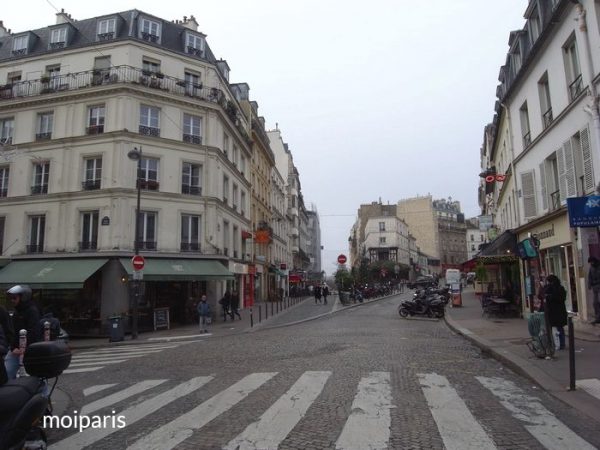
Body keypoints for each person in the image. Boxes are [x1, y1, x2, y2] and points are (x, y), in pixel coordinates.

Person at [4, 285, 41, 380]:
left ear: (23, 297)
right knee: (6, 374)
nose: (12, 300)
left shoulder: (32, 311)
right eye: (11, 298)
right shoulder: (17, 312)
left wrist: (24, 348)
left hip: (28, 350)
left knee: (35, 376)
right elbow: (13, 332)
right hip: (16, 350)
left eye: (14, 298)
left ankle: (45, 394)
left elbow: (34, 332)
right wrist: (13, 348)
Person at [544, 275, 568, 350]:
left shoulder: (559, 288)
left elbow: (560, 298)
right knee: (557, 328)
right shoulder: (555, 288)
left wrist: (549, 296)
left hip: (556, 311)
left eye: (548, 281)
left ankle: (560, 344)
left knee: (558, 328)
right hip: (556, 311)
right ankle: (559, 344)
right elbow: (542, 295)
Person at [587, 256, 600, 324]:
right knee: (595, 303)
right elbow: (590, 277)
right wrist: (589, 285)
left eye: (591, 262)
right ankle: (598, 318)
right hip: (595, 288)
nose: (591, 264)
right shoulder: (591, 268)